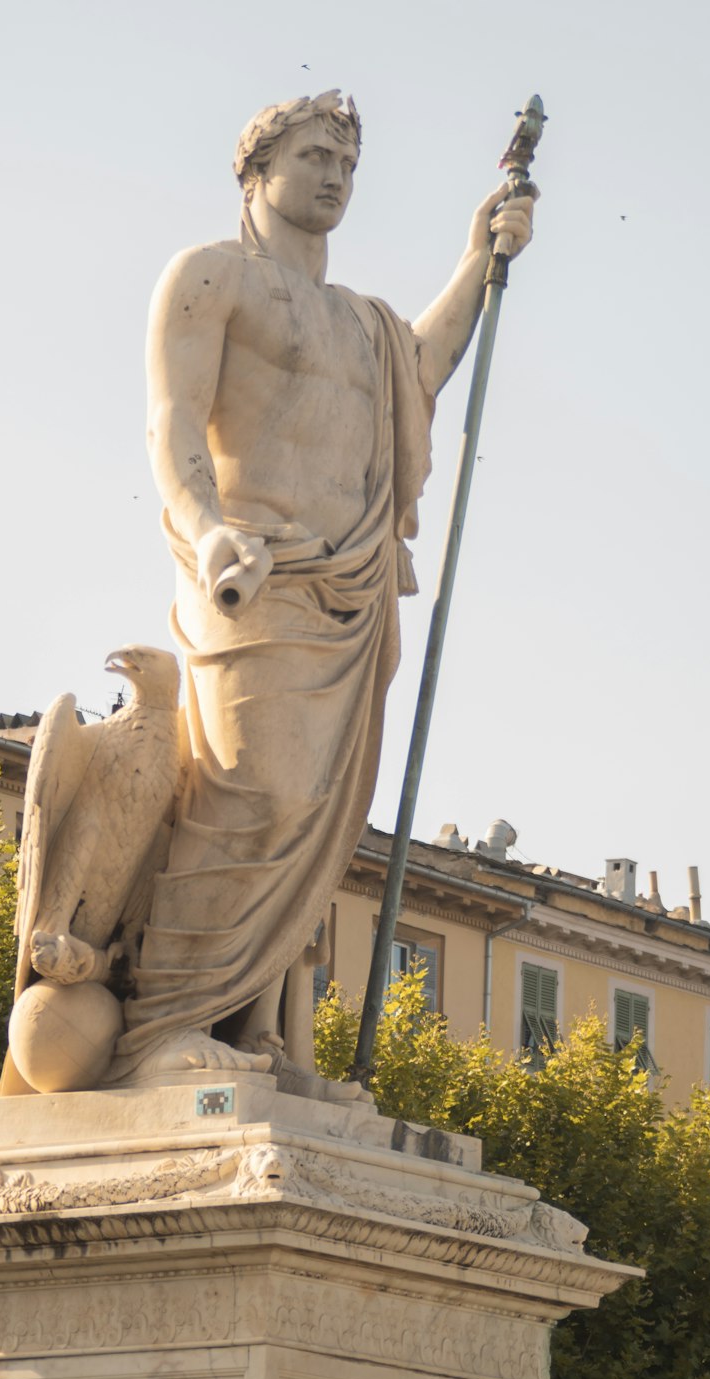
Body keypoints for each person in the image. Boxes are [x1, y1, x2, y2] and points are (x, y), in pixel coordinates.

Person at [104, 91, 534, 1084]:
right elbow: (171, 431)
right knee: (252, 796)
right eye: (314, 154)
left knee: (311, 830)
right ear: (255, 171)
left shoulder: (363, 322)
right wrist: (208, 534)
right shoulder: (210, 277)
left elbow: (417, 374)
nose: (336, 175)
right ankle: (162, 1029)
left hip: (353, 588)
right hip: (258, 577)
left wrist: (481, 259)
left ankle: (253, 1036)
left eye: (348, 160)